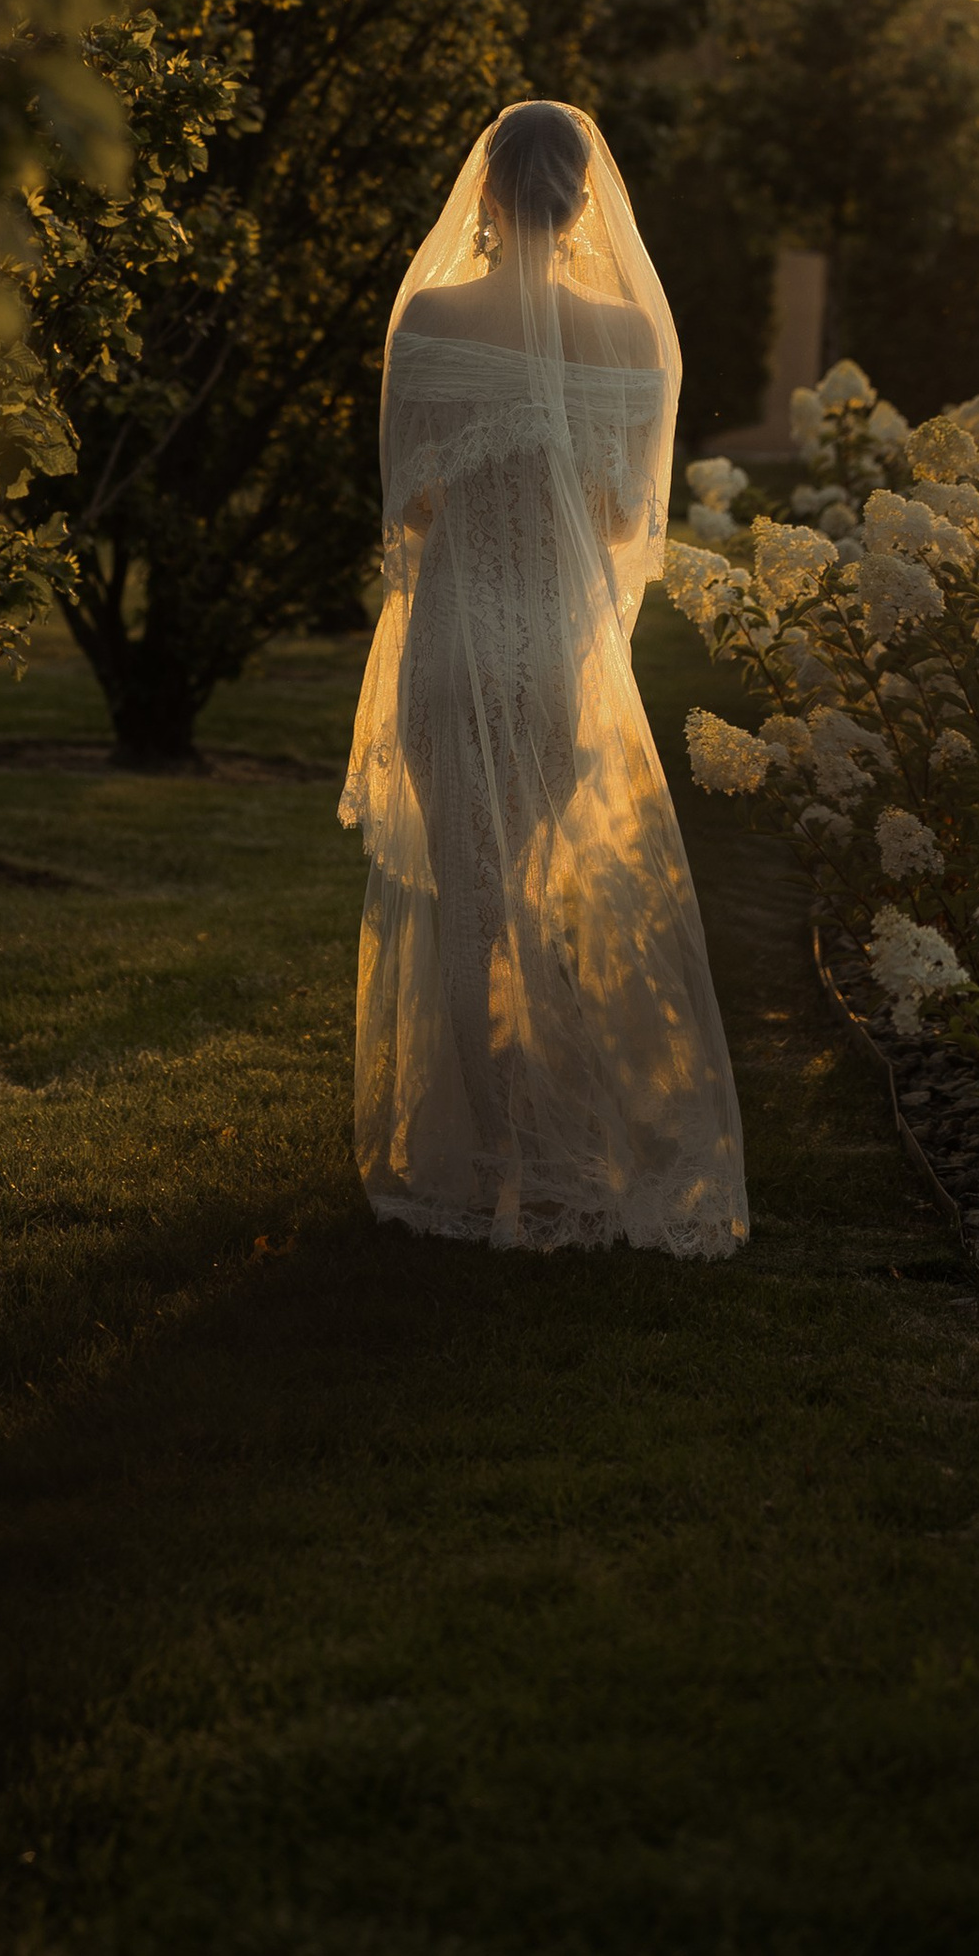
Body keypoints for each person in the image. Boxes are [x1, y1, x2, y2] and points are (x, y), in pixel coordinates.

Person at [341, 102, 749, 1256]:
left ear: (485, 195)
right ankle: (538, 1133)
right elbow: (626, 516)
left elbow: (407, 502)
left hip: (458, 635)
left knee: (470, 905)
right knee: (518, 885)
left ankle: (492, 1153)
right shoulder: (625, 338)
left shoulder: (430, 316)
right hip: (553, 656)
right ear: (580, 203)